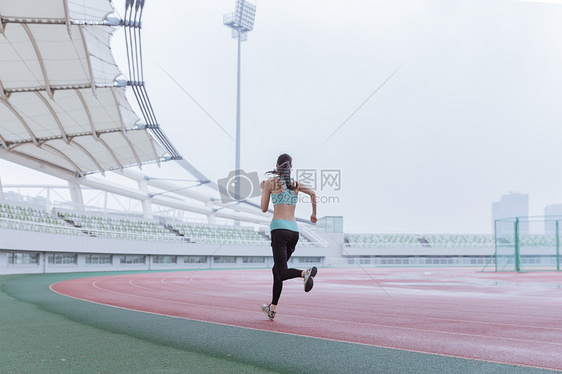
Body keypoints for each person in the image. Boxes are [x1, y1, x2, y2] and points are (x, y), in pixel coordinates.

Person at [259, 153, 318, 320]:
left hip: (279, 230)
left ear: (276, 165)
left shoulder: (271, 183)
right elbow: (313, 194)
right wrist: (314, 215)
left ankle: (304, 273)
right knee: (276, 270)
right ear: (291, 166)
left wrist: (263, 190)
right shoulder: (295, 184)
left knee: (282, 272)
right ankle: (272, 308)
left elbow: (264, 208)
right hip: (294, 233)